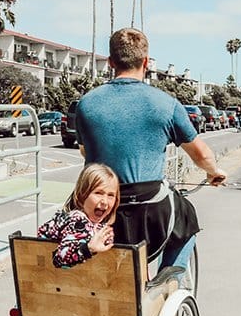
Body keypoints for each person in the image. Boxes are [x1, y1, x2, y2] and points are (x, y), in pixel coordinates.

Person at [76, 28, 227, 275]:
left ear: (112, 62)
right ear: (145, 62)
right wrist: (213, 172)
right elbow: (201, 154)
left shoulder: (86, 104)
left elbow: (85, 152)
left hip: (97, 210)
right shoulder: (166, 104)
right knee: (186, 219)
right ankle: (169, 282)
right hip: (147, 211)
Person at [37, 163, 119, 268]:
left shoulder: (98, 223)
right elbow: (60, 259)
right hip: (50, 274)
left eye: (111, 195)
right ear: (82, 195)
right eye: (98, 193)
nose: (105, 201)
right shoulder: (78, 221)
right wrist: (89, 248)